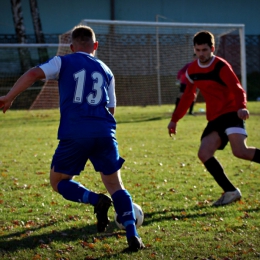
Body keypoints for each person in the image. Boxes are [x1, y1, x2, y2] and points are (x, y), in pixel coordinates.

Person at [0, 25, 144, 251]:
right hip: (105, 131)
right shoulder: (107, 70)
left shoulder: (62, 61)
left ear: (71, 46)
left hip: (75, 132)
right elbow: (112, 109)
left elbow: (33, 74)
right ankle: (132, 233)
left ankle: (96, 200)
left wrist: (9, 97)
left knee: (58, 182)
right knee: (116, 185)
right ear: (95, 46)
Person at [167, 31, 260, 206]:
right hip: (215, 118)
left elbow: (237, 88)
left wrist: (242, 106)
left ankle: (231, 191)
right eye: (198, 50)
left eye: (204, 50)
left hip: (232, 112)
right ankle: (231, 191)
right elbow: (188, 96)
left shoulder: (221, 66)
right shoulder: (192, 70)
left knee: (240, 151)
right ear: (194, 49)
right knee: (204, 153)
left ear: (212, 48)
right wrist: (174, 119)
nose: (201, 53)